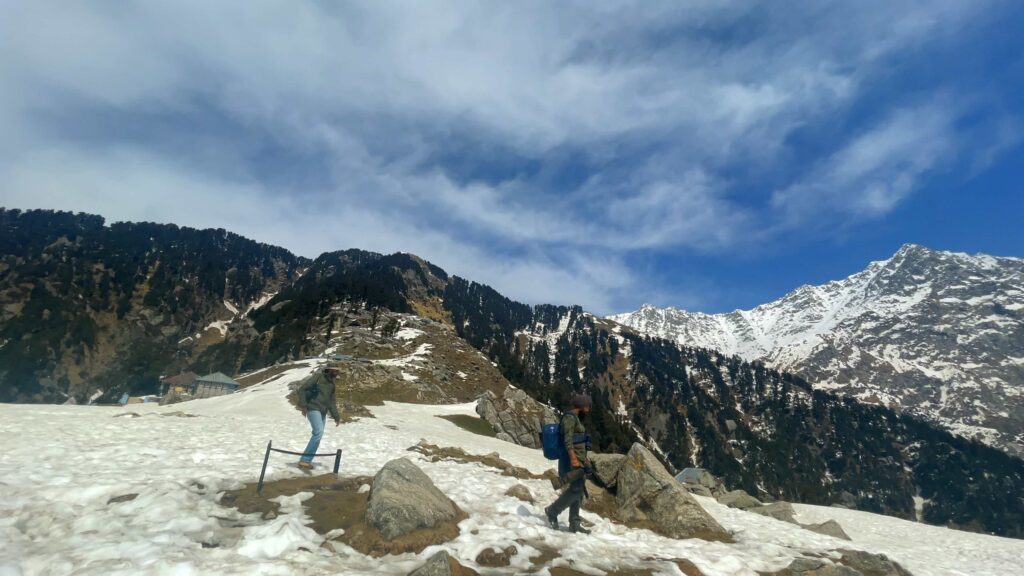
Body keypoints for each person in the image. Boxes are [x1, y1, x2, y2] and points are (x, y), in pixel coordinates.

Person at [544, 394, 593, 534]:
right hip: (570, 460)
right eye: (588, 406)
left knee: (578, 490)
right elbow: (568, 440)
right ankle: (552, 511)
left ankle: (574, 523)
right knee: (576, 489)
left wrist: (585, 459)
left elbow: (580, 442)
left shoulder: (575, 418)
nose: (589, 409)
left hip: (579, 459)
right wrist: (573, 458)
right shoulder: (569, 418)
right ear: (583, 406)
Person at [296, 367, 341, 470]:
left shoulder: (332, 385)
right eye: (335, 370)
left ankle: (306, 460)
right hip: (313, 408)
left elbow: (332, 403)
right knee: (318, 432)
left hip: (323, 412)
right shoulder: (318, 377)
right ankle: (305, 460)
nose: (337, 373)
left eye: (338, 371)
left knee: (318, 435)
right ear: (329, 370)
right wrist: (303, 405)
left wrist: (336, 417)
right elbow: (302, 389)